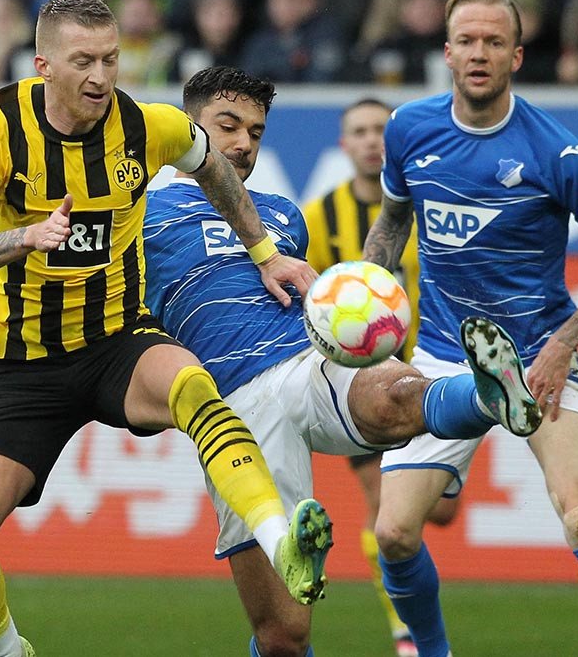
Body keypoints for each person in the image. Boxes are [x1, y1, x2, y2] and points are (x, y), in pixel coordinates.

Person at [0, 0, 332, 657]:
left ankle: (280, 539)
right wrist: (28, 236)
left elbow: (216, 174)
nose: (99, 74)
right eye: (83, 59)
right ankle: (7, 649)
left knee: (197, 390)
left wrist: (264, 252)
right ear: (43, 65)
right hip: (28, 366)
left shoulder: (150, 127)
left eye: (111, 58)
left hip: (118, 338)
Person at [143, 65, 541, 657]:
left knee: (389, 392)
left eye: (255, 131)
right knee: (284, 636)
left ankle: (487, 395)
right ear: (187, 129)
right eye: (228, 126)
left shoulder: (281, 215)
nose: (243, 144)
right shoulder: (138, 212)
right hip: (232, 413)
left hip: (306, 364)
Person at [363, 0, 578, 657]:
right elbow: (392, 224)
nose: (479, 54)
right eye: (467, 41)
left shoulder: (552, 151)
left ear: (517, 56)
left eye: (494, 42)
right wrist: (372, 320)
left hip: (534, 359)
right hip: (442, 357)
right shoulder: (409, 129)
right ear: (446, 51)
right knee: (393, 535)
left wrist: (561, 347)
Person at [301, 97, 456, 657]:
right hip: (361, 384)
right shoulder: (320, 217)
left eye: (379, 130)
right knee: (383, 506)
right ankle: (406, 636)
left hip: (434, 375)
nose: (370, 140)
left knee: (437, 511)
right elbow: (307, 300)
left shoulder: (431, 206)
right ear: (343, 144)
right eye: (359, 131)